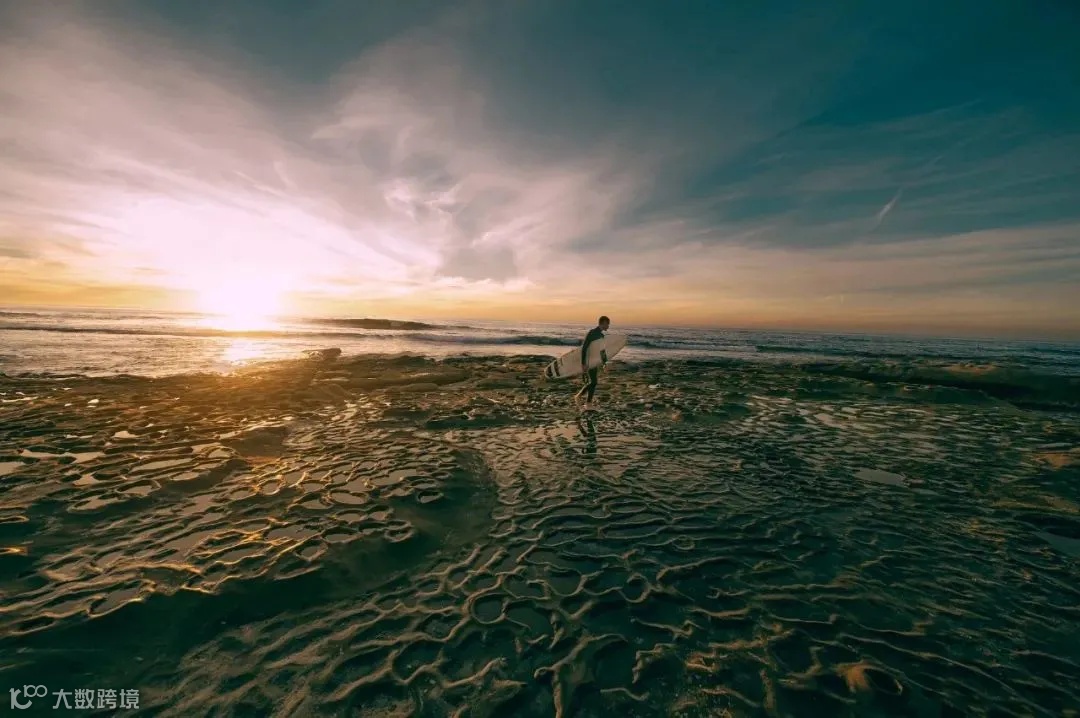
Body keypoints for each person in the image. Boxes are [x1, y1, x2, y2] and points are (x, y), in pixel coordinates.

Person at [575, 315, 610, 408]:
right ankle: (582, 398)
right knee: (594, 382)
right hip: (589, 360)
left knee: (593, 381)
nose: (608, 326)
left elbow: (602, 351)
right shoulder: (592, 333)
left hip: (595, 361)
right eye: (607, 324)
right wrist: (583, 363)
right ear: (603, 323)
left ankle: (585, 400)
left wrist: (605, 363)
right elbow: (584, 348)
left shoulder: (602, 336)